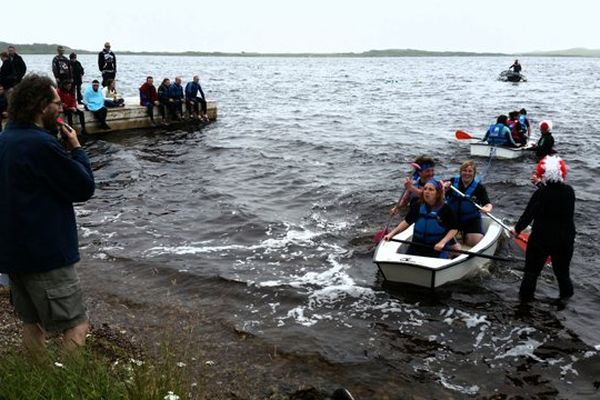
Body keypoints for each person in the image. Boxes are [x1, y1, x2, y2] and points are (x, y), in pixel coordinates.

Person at [0, 74, 95, 352]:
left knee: (33, 324)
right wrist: (76, 149)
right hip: (46, 255)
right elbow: (83, 187)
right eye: (56, 102)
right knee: (76, 323)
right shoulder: (40, 145)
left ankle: (38, 382)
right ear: (42, 106)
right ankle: (69, 389)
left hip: (13, 253)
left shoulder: (5, 139)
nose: (61, 106)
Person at [511, 156, 575, 303]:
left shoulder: (541, 194)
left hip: (541, 240)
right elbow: (553, 195)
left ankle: (525, 305)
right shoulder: (569, 192)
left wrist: (517, 230)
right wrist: (540, 185)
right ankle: (566, 303)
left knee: (531, 274)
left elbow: (528, 214)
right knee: (563, 274)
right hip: (565, 241)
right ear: (561, 173)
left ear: (543, 174)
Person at [384, 179, 458, 258]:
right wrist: (391, 234)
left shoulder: (446, 209)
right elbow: (406, 221)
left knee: (453, 251)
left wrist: (442, 242)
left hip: (436, 247)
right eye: (425, 189)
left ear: (437, 193)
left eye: (431, 189)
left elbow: (454, 228)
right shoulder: (418, 205)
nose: (426, 191)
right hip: (417, 245)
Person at [444, 161, 493, 246]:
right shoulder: (452, 182)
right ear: (460, 172)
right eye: (464, 170)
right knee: (440, 235)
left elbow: (487, 203)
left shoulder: (479, 188)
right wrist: (444, 188)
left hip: (470, 219)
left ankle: (464, 235)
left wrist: (487, 208)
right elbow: (439, 195)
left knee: (474, 241)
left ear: (474, 173)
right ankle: (457, 235)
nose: (467, 173)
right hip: (452, 218)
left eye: (470, 171)